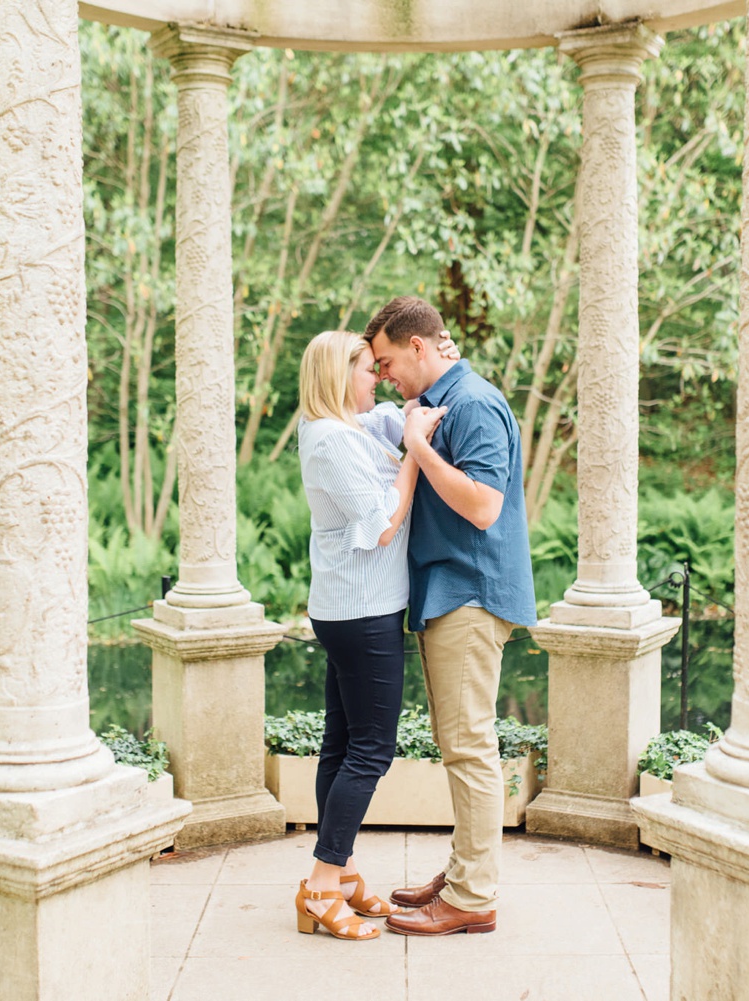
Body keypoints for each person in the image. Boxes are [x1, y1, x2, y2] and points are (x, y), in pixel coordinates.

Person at [365, 296, 538, 937]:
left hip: (470, 592)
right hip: (448, 592)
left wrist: (419, 445)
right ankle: (467, 871)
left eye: (386, 362)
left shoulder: (472, 404)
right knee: (460, 745)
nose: (385, 376)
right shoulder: (447, 400)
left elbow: (485, 506)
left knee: (469, 749)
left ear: (418, 347)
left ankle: (471, 897)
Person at [291, 329, 451, 941]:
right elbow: (384, 524)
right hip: (361, 612)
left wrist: (413, 413)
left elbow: (396, 413)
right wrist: (415, 450)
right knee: (371, 751)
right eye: (366, 369)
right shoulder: (329, 438)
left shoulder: (349, 428)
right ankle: (322, 883)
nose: (375, 379)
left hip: (353, 608)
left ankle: (344, 873)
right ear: (338, 376)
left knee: (342, 743)